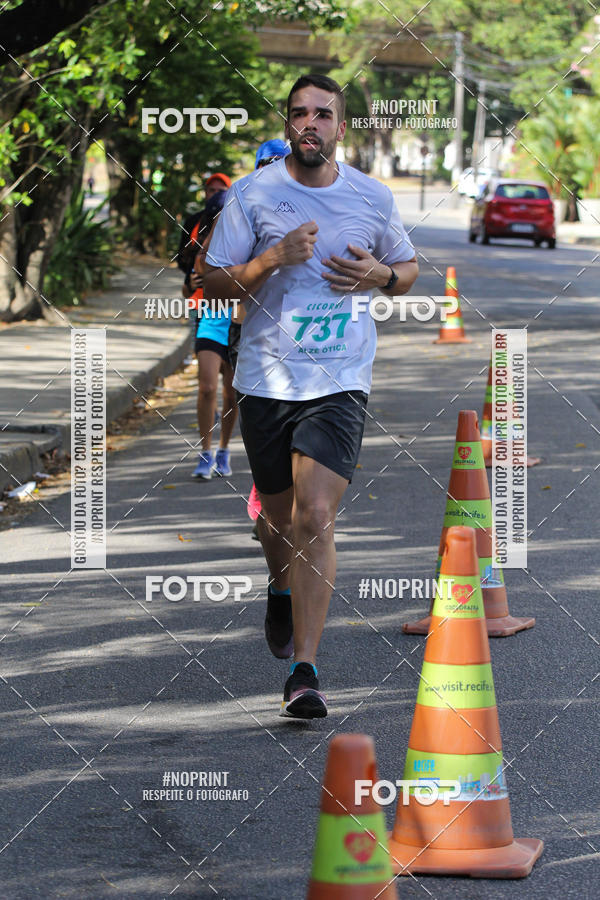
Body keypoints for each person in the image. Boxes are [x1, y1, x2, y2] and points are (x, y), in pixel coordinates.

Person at [204, 73, 419, 719]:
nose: (310, 124)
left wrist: (380, 275)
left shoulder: (371, 197)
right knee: (277, 522)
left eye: (322, 114)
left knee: (315, 517)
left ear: (340, 127)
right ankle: (278, 586)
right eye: (299, 113)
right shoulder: (252, 196)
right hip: (267, 381)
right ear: (288, 123)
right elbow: (213, 285)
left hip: (340, 379)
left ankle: (305, 670)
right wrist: (269, 260)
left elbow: (406, 271)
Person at [189, 189, 237, 479]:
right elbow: (199, 266)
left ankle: (224, 450)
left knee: (232, 394)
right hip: (212, 316)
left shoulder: (253, 232)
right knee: (207, 387)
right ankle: (205, 453)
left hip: (240, 320)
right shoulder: (214, 234)